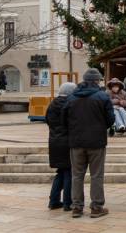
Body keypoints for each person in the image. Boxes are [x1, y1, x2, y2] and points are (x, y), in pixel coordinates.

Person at [62, 68, 115, 218]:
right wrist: (100, 126)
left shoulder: (71, 98)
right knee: (96, 175)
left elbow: (63, 120)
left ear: (84, 80)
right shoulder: (102, 97)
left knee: (77, 175)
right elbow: (111, 119)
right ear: (97, 81)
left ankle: (77, 207)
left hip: (76, 142)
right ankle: (97, 207)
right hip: (96, 142)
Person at [46, 82, 76, 211]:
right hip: (67, 142)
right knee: (69, 172)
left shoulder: (52, 104)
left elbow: (47, 121)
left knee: (61, 172)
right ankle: (67, 202)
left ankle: (54, 201)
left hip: (54, 142)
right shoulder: (70, 104)